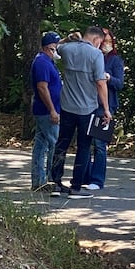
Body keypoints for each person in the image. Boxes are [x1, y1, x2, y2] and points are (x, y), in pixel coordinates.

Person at [49, 26, 112, 199]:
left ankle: (55, 183)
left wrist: (69, 37)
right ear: (96, 40)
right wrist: (106, 109)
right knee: (84, 147)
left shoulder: (68, 48)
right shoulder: (95, 54)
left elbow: (56, 46)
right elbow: (100, 83)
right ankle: (76, 187)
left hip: (67, 106)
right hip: (87, 109)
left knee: (61, 144)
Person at [84, 27, 124, 190]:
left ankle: (97, 180)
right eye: (103, 41)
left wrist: (108, 78)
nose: (105, 44)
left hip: (106, 106)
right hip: (88, 104)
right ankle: (84, 177)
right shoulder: (92, 57)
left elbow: (120, 83)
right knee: (85, 142)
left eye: (109, 41)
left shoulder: (115, 61)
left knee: (100, 144)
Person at [30, 31, 62, 192]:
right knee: (54, 143)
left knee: (41, 145)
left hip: (47, 110)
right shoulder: (42, 62)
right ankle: (51, 178)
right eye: (55, 47)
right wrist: (52, 110)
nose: (57, 49)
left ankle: (38, 180)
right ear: (49, 47)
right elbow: (42, 87)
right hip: (46, 111)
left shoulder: (48, 61)